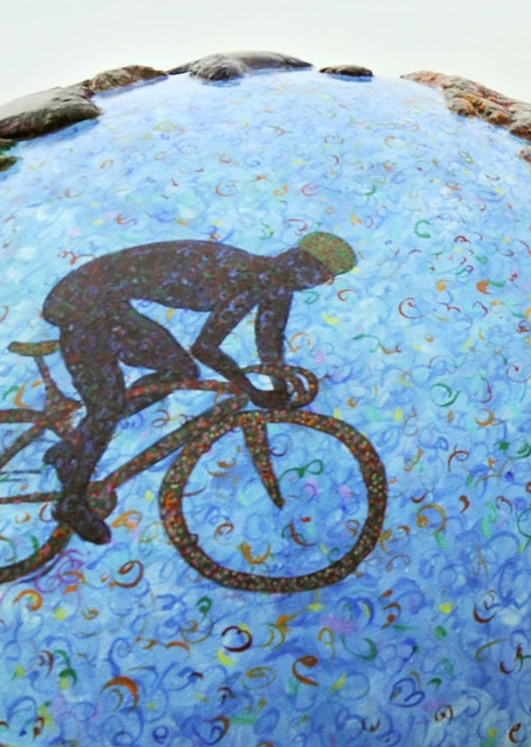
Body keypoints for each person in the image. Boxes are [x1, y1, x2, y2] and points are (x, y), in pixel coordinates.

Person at [40, 231, 358, 544]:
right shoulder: (250, 277)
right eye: (324, 275)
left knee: (177, 372)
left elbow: (269, 346)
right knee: (107, 407)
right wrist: (252, 390)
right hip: (81, 301)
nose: (320, 282)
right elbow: (206, 347)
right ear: (304, 266)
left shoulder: (273, 283)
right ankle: (71, 499)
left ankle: (79, 443)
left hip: (105, 300)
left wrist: (280, 387)